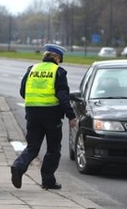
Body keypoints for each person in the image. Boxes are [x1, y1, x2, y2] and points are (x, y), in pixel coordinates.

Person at [11, 44, 77, 190]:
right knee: (53, 149)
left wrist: (35, 101)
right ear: (57, 57)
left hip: (32, 112)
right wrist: (71, 115)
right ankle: (48, 180)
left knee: (33, 147)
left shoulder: (32, 69)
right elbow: (62, 96)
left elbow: (23, 91)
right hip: (51, 114)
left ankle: (18, 166)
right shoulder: (58, 72)